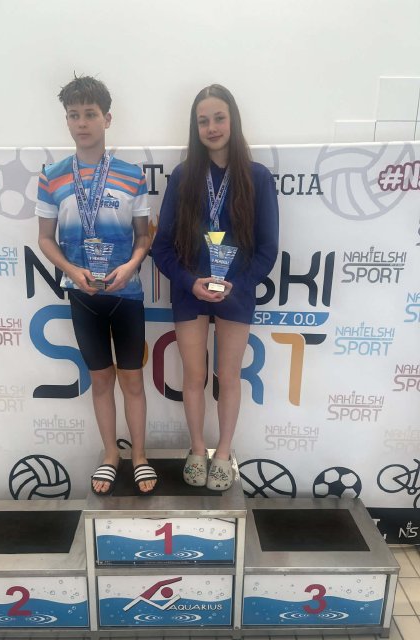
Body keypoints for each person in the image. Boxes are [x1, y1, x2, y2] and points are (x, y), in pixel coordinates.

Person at [151, 84, 278, 491]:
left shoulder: (257, 177)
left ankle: (223, 452)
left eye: (219, 118)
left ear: (232, 120)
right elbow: (161, 247)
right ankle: (196, 448)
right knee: (193, 376)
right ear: (195, 127)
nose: (212, 127)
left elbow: (268, 249)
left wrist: (237, 285)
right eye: (203, 120)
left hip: (236, 292)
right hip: (190, 291)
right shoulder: (184, 177)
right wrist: (191, 282)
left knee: (229, 376)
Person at [35, 75, 157, 496]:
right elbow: (45, 239)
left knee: (133, 382)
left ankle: (139, 456)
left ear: (107, 119)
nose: (82, 123)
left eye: (90, 114)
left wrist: (132, 265)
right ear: (66, 120)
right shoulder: (51, 177)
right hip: (83, 297)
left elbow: (143, 237)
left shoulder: (131, 175)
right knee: (101, 381)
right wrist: (72, 270)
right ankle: (111, 454)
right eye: (74, 115)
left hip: (126, 295)